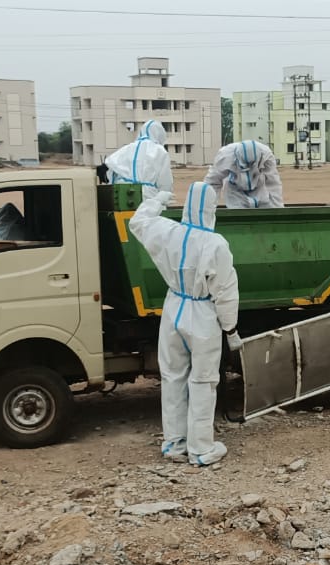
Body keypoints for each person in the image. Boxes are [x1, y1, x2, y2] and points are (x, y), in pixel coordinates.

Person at [129, 181, 241, 466]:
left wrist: (158, 200)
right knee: (203, 380)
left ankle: (173, 443)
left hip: (173, 307)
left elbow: (139, 221)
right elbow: (226, 292)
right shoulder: (216, 244)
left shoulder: (166, 231)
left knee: (173, 377)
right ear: (211, 208)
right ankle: (201, 448)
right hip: (202, 312)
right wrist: (231, 330)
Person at [104, 119, 174, 201]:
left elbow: (111, 170)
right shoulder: (160, 151)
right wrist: (165, 197)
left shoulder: (126, 149)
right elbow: (165, 182)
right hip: (149, 197)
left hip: (124, 197)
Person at [204, 140, 284, 209]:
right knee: (238, 217)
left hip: (259, 188)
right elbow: (213, 182)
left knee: (264, 215)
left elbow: (273, 183)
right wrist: (209, 208)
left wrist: (278, 209)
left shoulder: (267, 156)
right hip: (235, 190)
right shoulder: (225, 156)